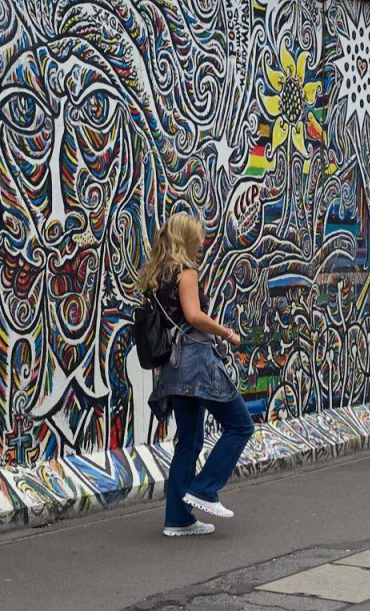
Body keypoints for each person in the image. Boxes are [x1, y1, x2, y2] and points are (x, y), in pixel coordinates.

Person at [139, 212, 251, 537]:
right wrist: (227, 333)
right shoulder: (185, 273)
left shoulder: (159, 275)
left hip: (172, 368)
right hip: (197, 363)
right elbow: (194, 316)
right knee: (240, 425)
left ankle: (178, 519)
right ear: (186, 239)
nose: (201, 245)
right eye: (198, 239)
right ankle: (205, 489)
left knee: (187, 441)